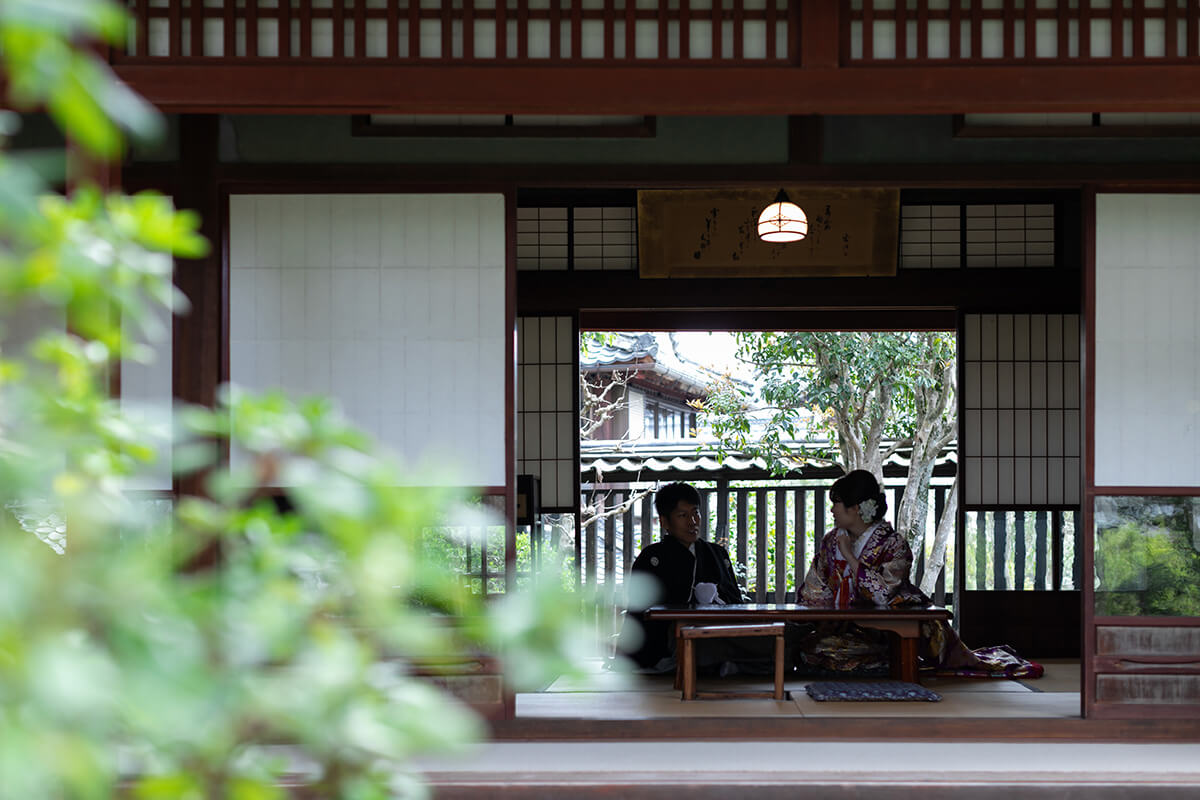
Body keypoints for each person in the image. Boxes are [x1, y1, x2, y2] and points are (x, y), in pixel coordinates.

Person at [799, 469, 1042, 678]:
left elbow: (882, 595)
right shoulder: (831, 541)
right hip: (848, 627)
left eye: (836, 503)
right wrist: (821, 614)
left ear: (855, 507)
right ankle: (880, 661)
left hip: (889, 627)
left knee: (832, 652)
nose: (832, 510)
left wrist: (851, 558)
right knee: (814, 646)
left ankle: (893, 658)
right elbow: (817, 585)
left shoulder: (893, 544)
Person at [616, 482, 747, 672]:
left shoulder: (717, 553)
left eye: (695, 513)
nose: (692, 522)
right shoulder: (652, 557)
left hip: (716, 632)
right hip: (668, 641)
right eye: (682, 515)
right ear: (664, 522)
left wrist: (715, 596)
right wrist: (692, 598)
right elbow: (641, 608)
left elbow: (735, 600)